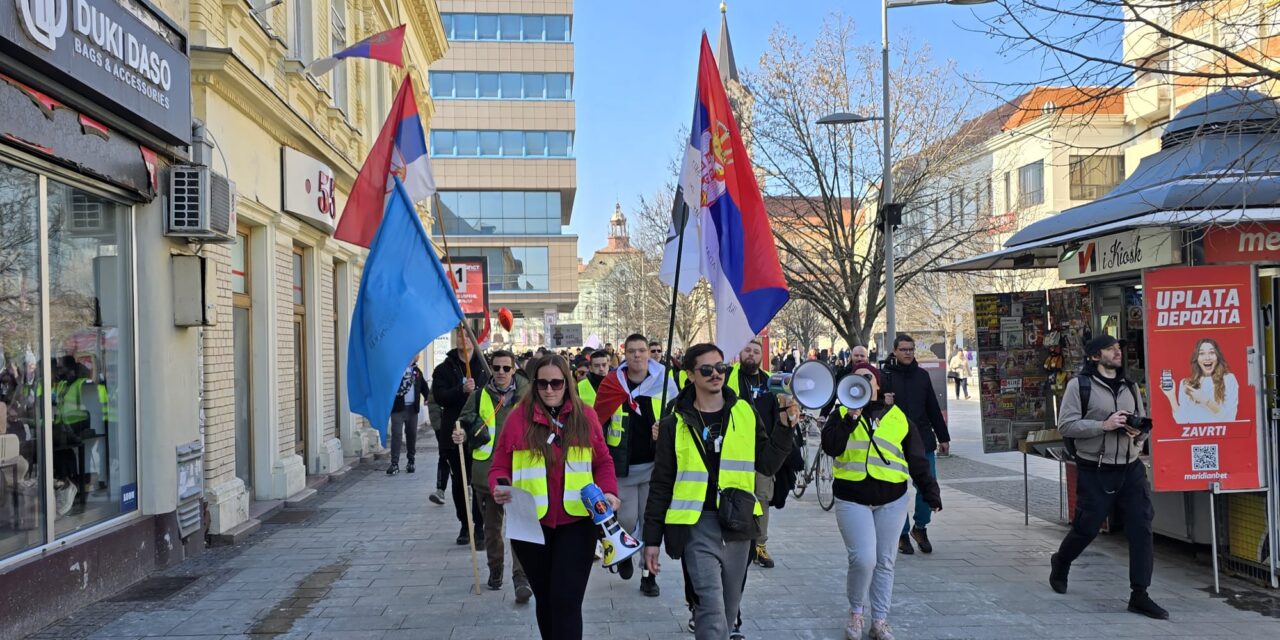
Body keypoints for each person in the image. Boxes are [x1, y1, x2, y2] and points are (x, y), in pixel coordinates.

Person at [643, 343, 794, 640]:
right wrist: (652, 540)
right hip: (695, 524)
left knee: (727, 609)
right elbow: (661, 484)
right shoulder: (674, 423)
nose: (716, 375)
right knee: (710, 608)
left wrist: (786, 427)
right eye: (707, 369)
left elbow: (766, 463)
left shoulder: (745, 412)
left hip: (738, 523)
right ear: (689, 375)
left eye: (721, 368)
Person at [489, 354, 619, 640]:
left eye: (556, 383)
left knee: (566, 600)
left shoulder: (585, 417)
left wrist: (609, 491)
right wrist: (500, 486)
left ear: (567, 384)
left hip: (577, 524)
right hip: (530, 527)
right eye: (543, 383)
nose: (549, 389)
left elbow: (603, 462)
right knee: (547, 599)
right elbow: (499, 466)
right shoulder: (516, 420)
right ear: (534, 384)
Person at [1051, 335, 1167, 620]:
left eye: (1119, 349)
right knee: (1087, 528)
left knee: (1141, 527)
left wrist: (1137, 435)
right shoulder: (1079, 386)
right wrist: (1104, 425)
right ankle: (1061, 561)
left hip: (1130, 468)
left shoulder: (1129, 386)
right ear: (1094, 356)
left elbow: (1141, 423)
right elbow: (1065, 425)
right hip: (1095, 469)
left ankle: (1140, 594)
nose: (1118, 352)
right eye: (1111, 348)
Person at [823, 363, 941, 640]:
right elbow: (831, 447)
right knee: (863, 559)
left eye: (869, 378)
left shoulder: (897, 416)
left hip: (893, 499)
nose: (863, 382)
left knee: (885, 561)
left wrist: (930, 491)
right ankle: (855, 612)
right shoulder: (840, 414)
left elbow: (917, 459)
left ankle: (879, 621)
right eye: (858, 378)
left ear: (878, 385)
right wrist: (850, 418)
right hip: (852, 498)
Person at [593, 334, 678, 595]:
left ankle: (648, 575)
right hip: (624, 467)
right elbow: (599, 422)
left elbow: (678, 418)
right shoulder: (612, 384)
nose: (638, 355)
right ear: (624, 354)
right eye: (632, 351)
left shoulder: (664, 382)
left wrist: (664, 430)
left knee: (650, 522)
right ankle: (626, 549)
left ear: (649, 354)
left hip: (655, 466)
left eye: (642, 350)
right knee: (628, 520)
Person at [455, 350, 532, 602]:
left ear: (514, 370)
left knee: (520, 527)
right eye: (496, 368)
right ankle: (495, 568)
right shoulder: (478, 396)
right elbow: (464, 422)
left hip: (521, 472)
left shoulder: (528, 397)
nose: (500, 373)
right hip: (486, 472)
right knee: (492, 528)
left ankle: (521, 577)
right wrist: (462, 435)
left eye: (505, 368)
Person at [725, 338, 796, 569]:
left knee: (762, 498)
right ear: (740, 353)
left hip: (762, 450)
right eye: (747, 350)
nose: (751, 355)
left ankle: (760, 545)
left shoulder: (770, 381)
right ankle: (732, 539)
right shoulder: (728, 377)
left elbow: (781, 410)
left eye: (756, 351)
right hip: (733, 452)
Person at [881, 334, 950, 555]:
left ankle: (920, 527)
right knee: (897, 490)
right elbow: (872, 410)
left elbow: (932, 407)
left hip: (922, 440)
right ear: (894, 351)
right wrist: (883, 402)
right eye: (903, 349)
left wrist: (944, 437)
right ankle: (901, 534)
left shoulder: (922, 376)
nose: (908, 353)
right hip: (894, 442)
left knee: (927, 486)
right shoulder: (885, 377)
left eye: (911, 349)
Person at [431, 334, 489, 545]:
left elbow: (495, 394)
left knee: (479, 482)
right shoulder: (444, 368)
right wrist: (460, 390)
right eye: (459, 335)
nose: (463, 340)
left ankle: (480, 525)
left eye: (467, 335)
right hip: (453, 433)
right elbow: (439, 397)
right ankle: (465, 524)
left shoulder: (485, 367)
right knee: (459, 481)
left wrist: (477, 391)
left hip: (480, 433)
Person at [1162, 338, 1239, 423]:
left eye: (1211, 352)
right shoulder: (1186, 383)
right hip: (1195, 436)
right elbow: (1182, 421)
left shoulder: (1229, 379)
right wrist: (1171, 396)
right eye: (1202, 353)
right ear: (1197, 358)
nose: (1207, 358)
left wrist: (1206, 400)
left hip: (1220, 435)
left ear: (1217, 356)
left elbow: (1229, 418)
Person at [387, 355, 429, 475]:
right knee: (397, 434)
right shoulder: (396, 370)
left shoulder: (416, 371)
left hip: (412, 409)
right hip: (397, 408)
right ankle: (394, 463)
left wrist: (427, 397)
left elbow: (424, 387)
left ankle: (411, 461)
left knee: (411, 435)